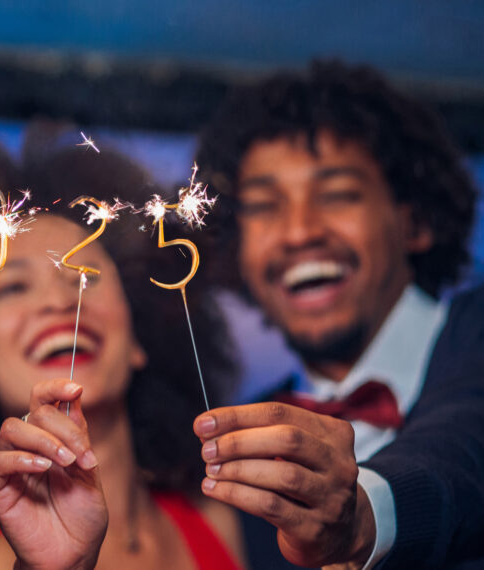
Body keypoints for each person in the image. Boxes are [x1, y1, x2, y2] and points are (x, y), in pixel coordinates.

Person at [0, 134, 282, 569]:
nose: (60, 303)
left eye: (83, 275)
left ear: (139, 337)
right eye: (13, 287)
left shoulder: (220, 520)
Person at [193, 59, 484, 568]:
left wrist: (363, 513)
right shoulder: (236, 451)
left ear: (414, 221)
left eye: (337, 194)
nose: (299, 231)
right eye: (264, 206)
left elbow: (463, 450)